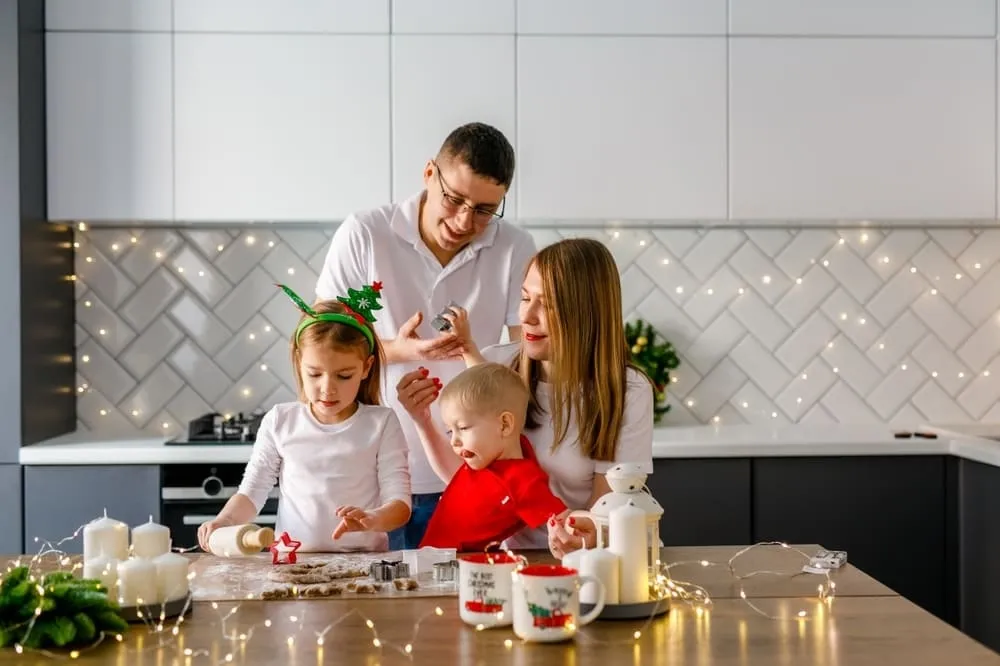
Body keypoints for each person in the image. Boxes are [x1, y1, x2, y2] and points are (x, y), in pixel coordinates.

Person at [315, 122, 537, 549]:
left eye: (485, 210)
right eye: (454, 199)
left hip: (473, 478)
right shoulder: (366, 233)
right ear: (429, 173)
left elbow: (522, 362)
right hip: (373, 477)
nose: (463, 220)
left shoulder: (513, 247)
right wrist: (397, 350)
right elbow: (321, 346)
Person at [396, 238, 655, 557]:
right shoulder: (498, 367)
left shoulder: (627, 390)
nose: (528, 317)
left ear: (587, 313)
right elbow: (470, 476)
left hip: (600, 558)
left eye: (548, 304)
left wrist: (581, 541)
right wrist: (422, 419)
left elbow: (607, 507)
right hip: (516, 561)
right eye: (524, 298)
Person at [197, 283, 411, 553]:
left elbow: (400, 505)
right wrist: (224, 521)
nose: (328, 387)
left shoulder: (382, 423)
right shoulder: (280, 421)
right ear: (299, 362)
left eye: (344, 375)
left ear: (366, 367)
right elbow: (253, 491)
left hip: (363, 566)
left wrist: (373, 519)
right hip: (293, 566)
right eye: (314, 373)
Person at [415, 363, 567, 552]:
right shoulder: (486, 457)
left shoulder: (522, 479)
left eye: (462, 428)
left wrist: (565, 533)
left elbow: (563, 519)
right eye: (449, 431)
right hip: (432, 558)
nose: (454, 441)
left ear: (504, 425)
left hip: (460, 566)